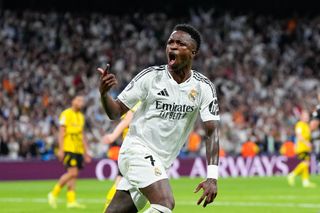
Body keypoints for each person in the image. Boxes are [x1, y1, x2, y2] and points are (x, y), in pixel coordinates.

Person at [98, 24, 220, 213]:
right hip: (137, 151)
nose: (172, 46)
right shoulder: (150, 77)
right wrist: (105, 95)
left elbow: (212, 131)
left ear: (193, 52)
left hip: (161, 162)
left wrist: (212, 176)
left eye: (180, 43)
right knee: (164, 203)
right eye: (170, 42)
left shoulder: (203, 87)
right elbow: (115, 113)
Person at [48, 95, 91, 208]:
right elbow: (61, 133)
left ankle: (71, 201)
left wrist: (86, 152)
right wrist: (61, 149)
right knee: (73, 173)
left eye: (82, 100)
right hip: (68, 148)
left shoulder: (81, 116)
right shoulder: (66, 114)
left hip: (78, 149)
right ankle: (53, 193)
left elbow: (82, 135)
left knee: (74, 176)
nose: (81, 102)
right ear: (73, 101)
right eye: (78, 100)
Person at [102, 102, 140, 210]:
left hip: (131, 150)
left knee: (119, 182)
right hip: (134, 151)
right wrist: (112, 136)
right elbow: (126, 122)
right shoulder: (138, 104)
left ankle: (107, 209)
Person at [287, 110, 316, 188]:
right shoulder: (299, 124)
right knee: (306, 163)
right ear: (301, 117)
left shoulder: (306, 126)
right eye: (305, 116)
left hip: (306, 148)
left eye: (308, 116)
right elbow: (299, 135)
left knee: (306, 164)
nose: (307, 117)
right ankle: (292, 174)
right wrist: (306, 143)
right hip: (301, 147)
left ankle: (305, 182)